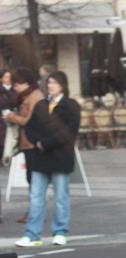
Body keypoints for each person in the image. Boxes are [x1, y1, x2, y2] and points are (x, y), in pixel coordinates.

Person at [16, 71, 79, 247]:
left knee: (61, 197)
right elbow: (30, 127)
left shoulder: (71, 105)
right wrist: (37, 141)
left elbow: (70, 131)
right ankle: (32, 234)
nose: (51, 86)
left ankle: (60, 232)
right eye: (49, 83)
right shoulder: (41, 105)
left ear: (63, 86)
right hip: (40, 158)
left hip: (60, 157)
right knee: (36, 196)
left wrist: (46, 143)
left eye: (55, 83)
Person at [4, 68, 44, 224]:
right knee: (32, 178)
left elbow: (32, 121)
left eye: (17, 84)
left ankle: (34, 212)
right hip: (28, 143)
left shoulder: (34, 97)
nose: (15, 88)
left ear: (25, 83)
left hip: (32, 143)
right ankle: (33, 211)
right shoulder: (29, 95)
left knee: (34, 179)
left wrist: (14, 118)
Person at [0, 68, 17, 167]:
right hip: (2, 119)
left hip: (12, 119)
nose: (8, 79)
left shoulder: (14, 89)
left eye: (10, 77)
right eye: (6, 77)